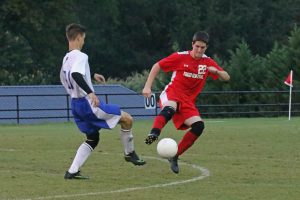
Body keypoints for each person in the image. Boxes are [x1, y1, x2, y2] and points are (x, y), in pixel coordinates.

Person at [60, 23, 145, 179]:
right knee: (127, 119)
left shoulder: (66, 58)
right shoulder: (81, 55)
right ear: (79, 38)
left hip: (75, 105)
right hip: (87, 104)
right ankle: (129, 153)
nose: (84, 42)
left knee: (93, 138)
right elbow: (76, 75)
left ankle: (72, 171)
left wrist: (91, 76)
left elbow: (70, 76)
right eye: (83, 39)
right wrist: (90, 92)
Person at [142, 31, 230, 174]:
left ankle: (175, 156)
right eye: (197, 47)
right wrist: (147, 86)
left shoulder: (207, 62)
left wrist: (217, 71)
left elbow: (226, 77)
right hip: (172, 93)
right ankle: (154, 133)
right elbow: (157, 66)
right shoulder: (180, 56)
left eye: (203, 48)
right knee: (170, 109)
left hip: (188, 101)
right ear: (192, 44)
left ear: (206, 47)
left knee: (199, 126)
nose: (199, 50)